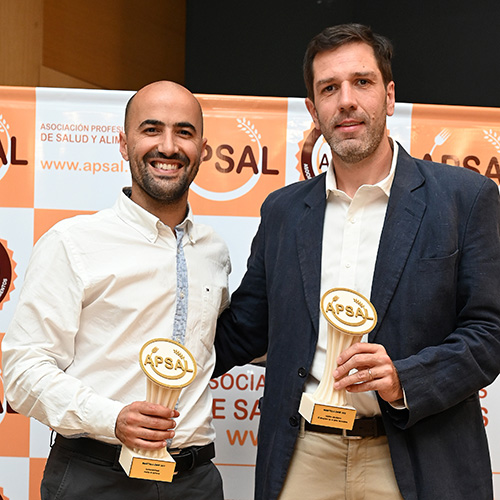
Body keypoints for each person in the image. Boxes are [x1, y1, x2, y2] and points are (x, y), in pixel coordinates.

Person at [214, 24, 500, 500]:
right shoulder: (283, 211)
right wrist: (145, 352)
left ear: (389, 96)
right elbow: (245, 327)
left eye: (362, 82)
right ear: (313, 110)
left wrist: (403, 379)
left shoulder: (464, 199)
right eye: (329, 88)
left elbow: (489, 333)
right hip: (303, 457)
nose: (346, 101)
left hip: (418, 454)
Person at [2, 81, 230, 499]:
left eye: (183, 132)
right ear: (123, 144)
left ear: (202, 149)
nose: (168, 146)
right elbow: (22, 370)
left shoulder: (213, 250)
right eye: (151, 129)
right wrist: (112, 418)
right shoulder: (72, 242)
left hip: (195, 482)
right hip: (97, 479)